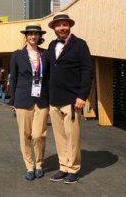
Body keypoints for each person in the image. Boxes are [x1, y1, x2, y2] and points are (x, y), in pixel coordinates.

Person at [47, 13, 93, 184]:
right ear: (54, 28)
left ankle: (73, 168)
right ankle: (63, 166)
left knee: (72, 137)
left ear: (69, 26)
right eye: (58, 26)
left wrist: (82, 95)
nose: (61, 28)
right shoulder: (51, 45)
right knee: (59, 137)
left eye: (64, 25)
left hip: (72, 101)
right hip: (54, 100)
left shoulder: (80, 45)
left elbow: (87, 71)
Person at [9, 23, 50, 181]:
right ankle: (30, 166)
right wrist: (12, 99)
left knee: (38, 135)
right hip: (22, 98)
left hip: (42, 99)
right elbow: (13, 78)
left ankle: (39, 163)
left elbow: (49, 78)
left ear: (40, 36)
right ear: (26, 36)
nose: (33, 36)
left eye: (36, 34)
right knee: (24, 135)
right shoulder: (17, 55)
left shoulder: (46, 54)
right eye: (30, 34)